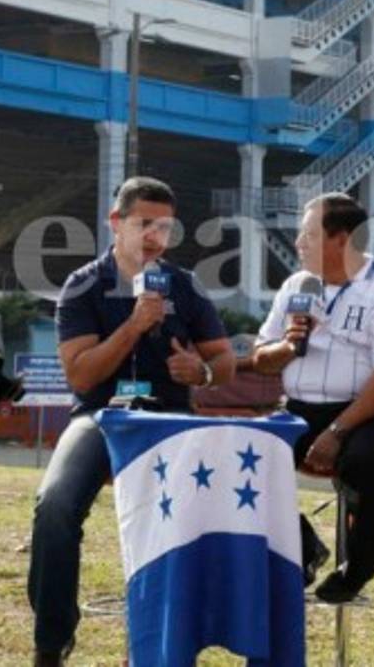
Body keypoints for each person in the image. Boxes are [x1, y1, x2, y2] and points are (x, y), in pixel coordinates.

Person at [28, 177, 236, 667]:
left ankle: (162, 643)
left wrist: (201, 372)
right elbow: (80, 374)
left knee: (201, 510)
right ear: (115, 222)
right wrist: (134, 326)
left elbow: (224, 361)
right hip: (102, 417)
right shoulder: (82, 287)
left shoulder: (183, 286)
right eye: (145, 225)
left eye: (165, 228)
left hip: (170, 419)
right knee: (54, 508)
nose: (155, 239)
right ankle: (51, 642)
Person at [252, 193, 374, 603]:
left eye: (308, 235)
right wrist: (290, 345)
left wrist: (338, 431)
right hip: (299, 407)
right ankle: (303, 546)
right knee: (244, 457)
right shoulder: (296, 286)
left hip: (368, 409)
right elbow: (261, 359)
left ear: (341, 240)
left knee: (362, 461)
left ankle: (362, 559)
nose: (298, 244)